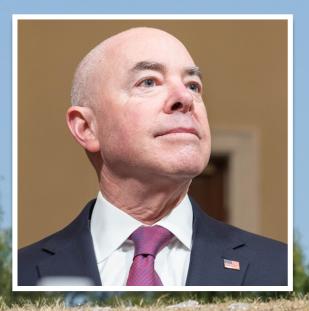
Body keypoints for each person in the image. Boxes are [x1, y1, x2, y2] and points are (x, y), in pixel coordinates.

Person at [18, 27, 287, 287]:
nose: (185, 97)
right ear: (87, 128)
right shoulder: (21, 272)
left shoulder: (276, 267)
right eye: (148, 82)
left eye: (193, 85)